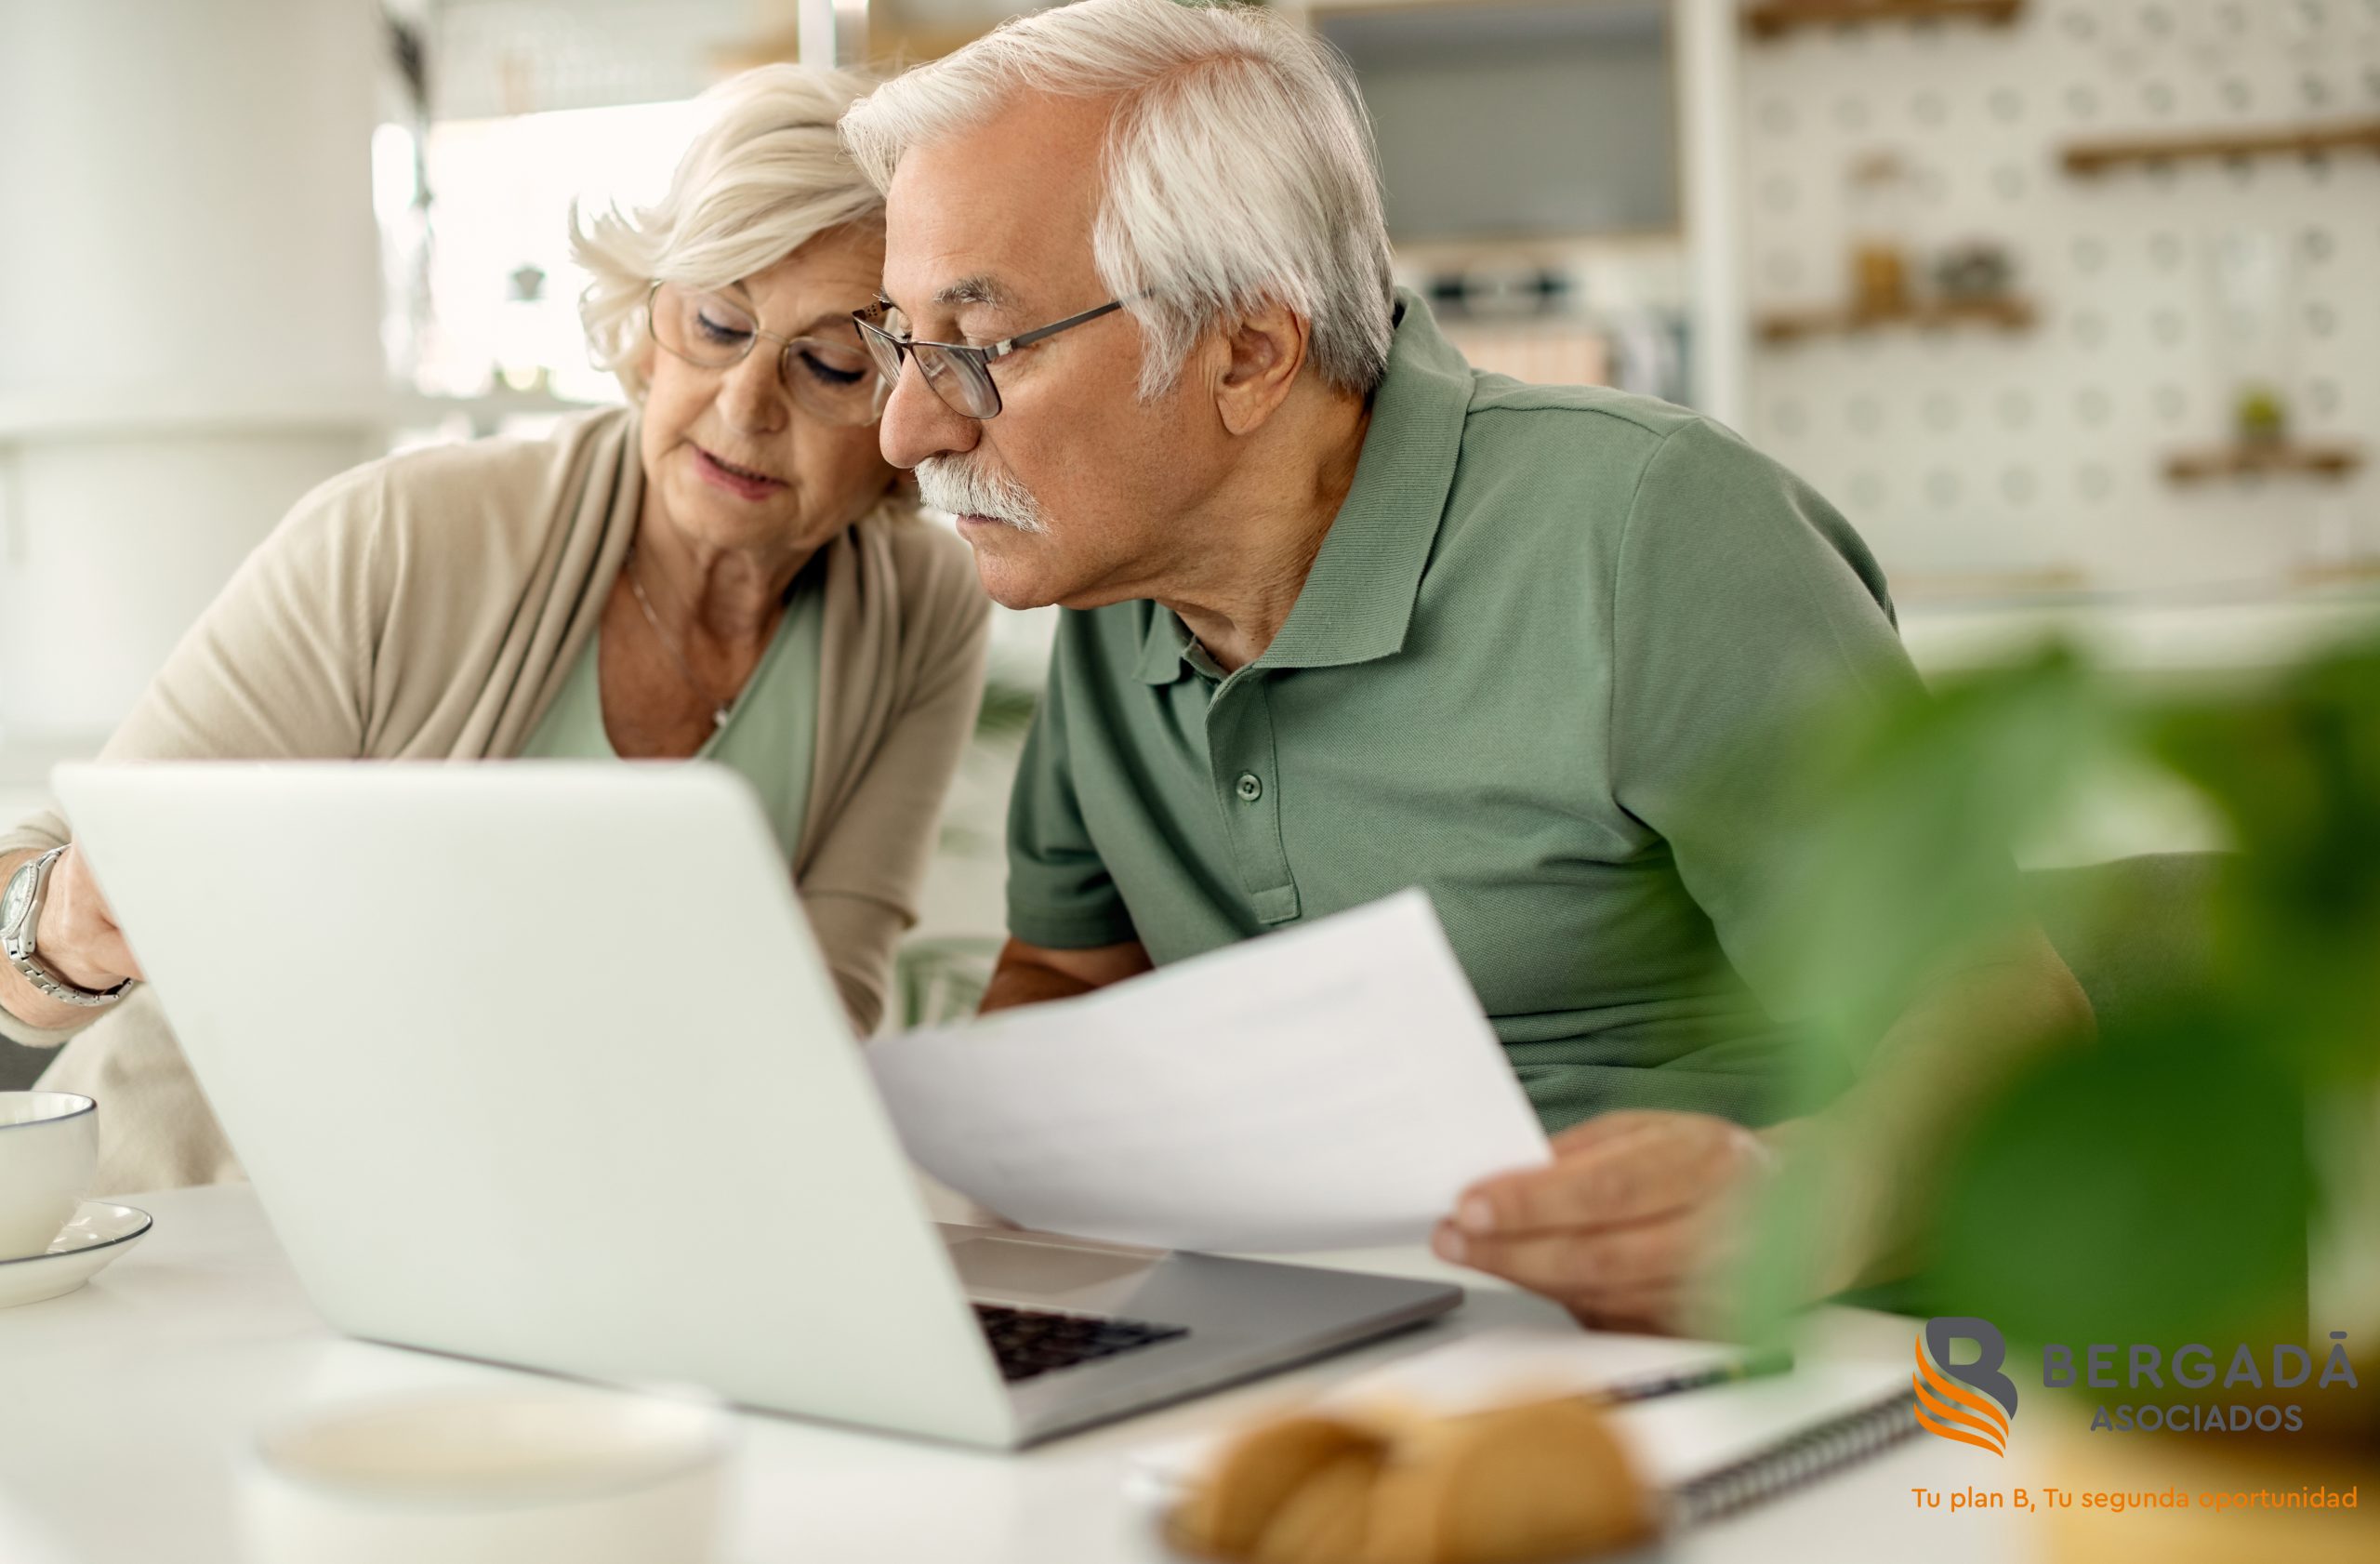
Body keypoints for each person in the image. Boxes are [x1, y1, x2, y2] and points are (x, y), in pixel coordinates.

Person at [838, 0, 2092, 1333]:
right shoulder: (1109, 582)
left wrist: (1789, 1201)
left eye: (979, 347)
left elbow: (2006, 1025)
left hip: (1782, 1354)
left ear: (1250, 352)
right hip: (1342, 1331)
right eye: (902, 340)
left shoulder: (1651, 533)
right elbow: (1070, 975)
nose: (909, 424)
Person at [0, 65, 989, 1194]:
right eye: (718, 322)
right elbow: (32, 928)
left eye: (830, 364)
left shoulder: (919, 612)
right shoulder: (400, 535)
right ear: (646, 323)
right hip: (198, 1217)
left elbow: (819, 1008)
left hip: (576, 1236)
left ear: (912, 395)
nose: (743, 404)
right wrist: (69, 930)